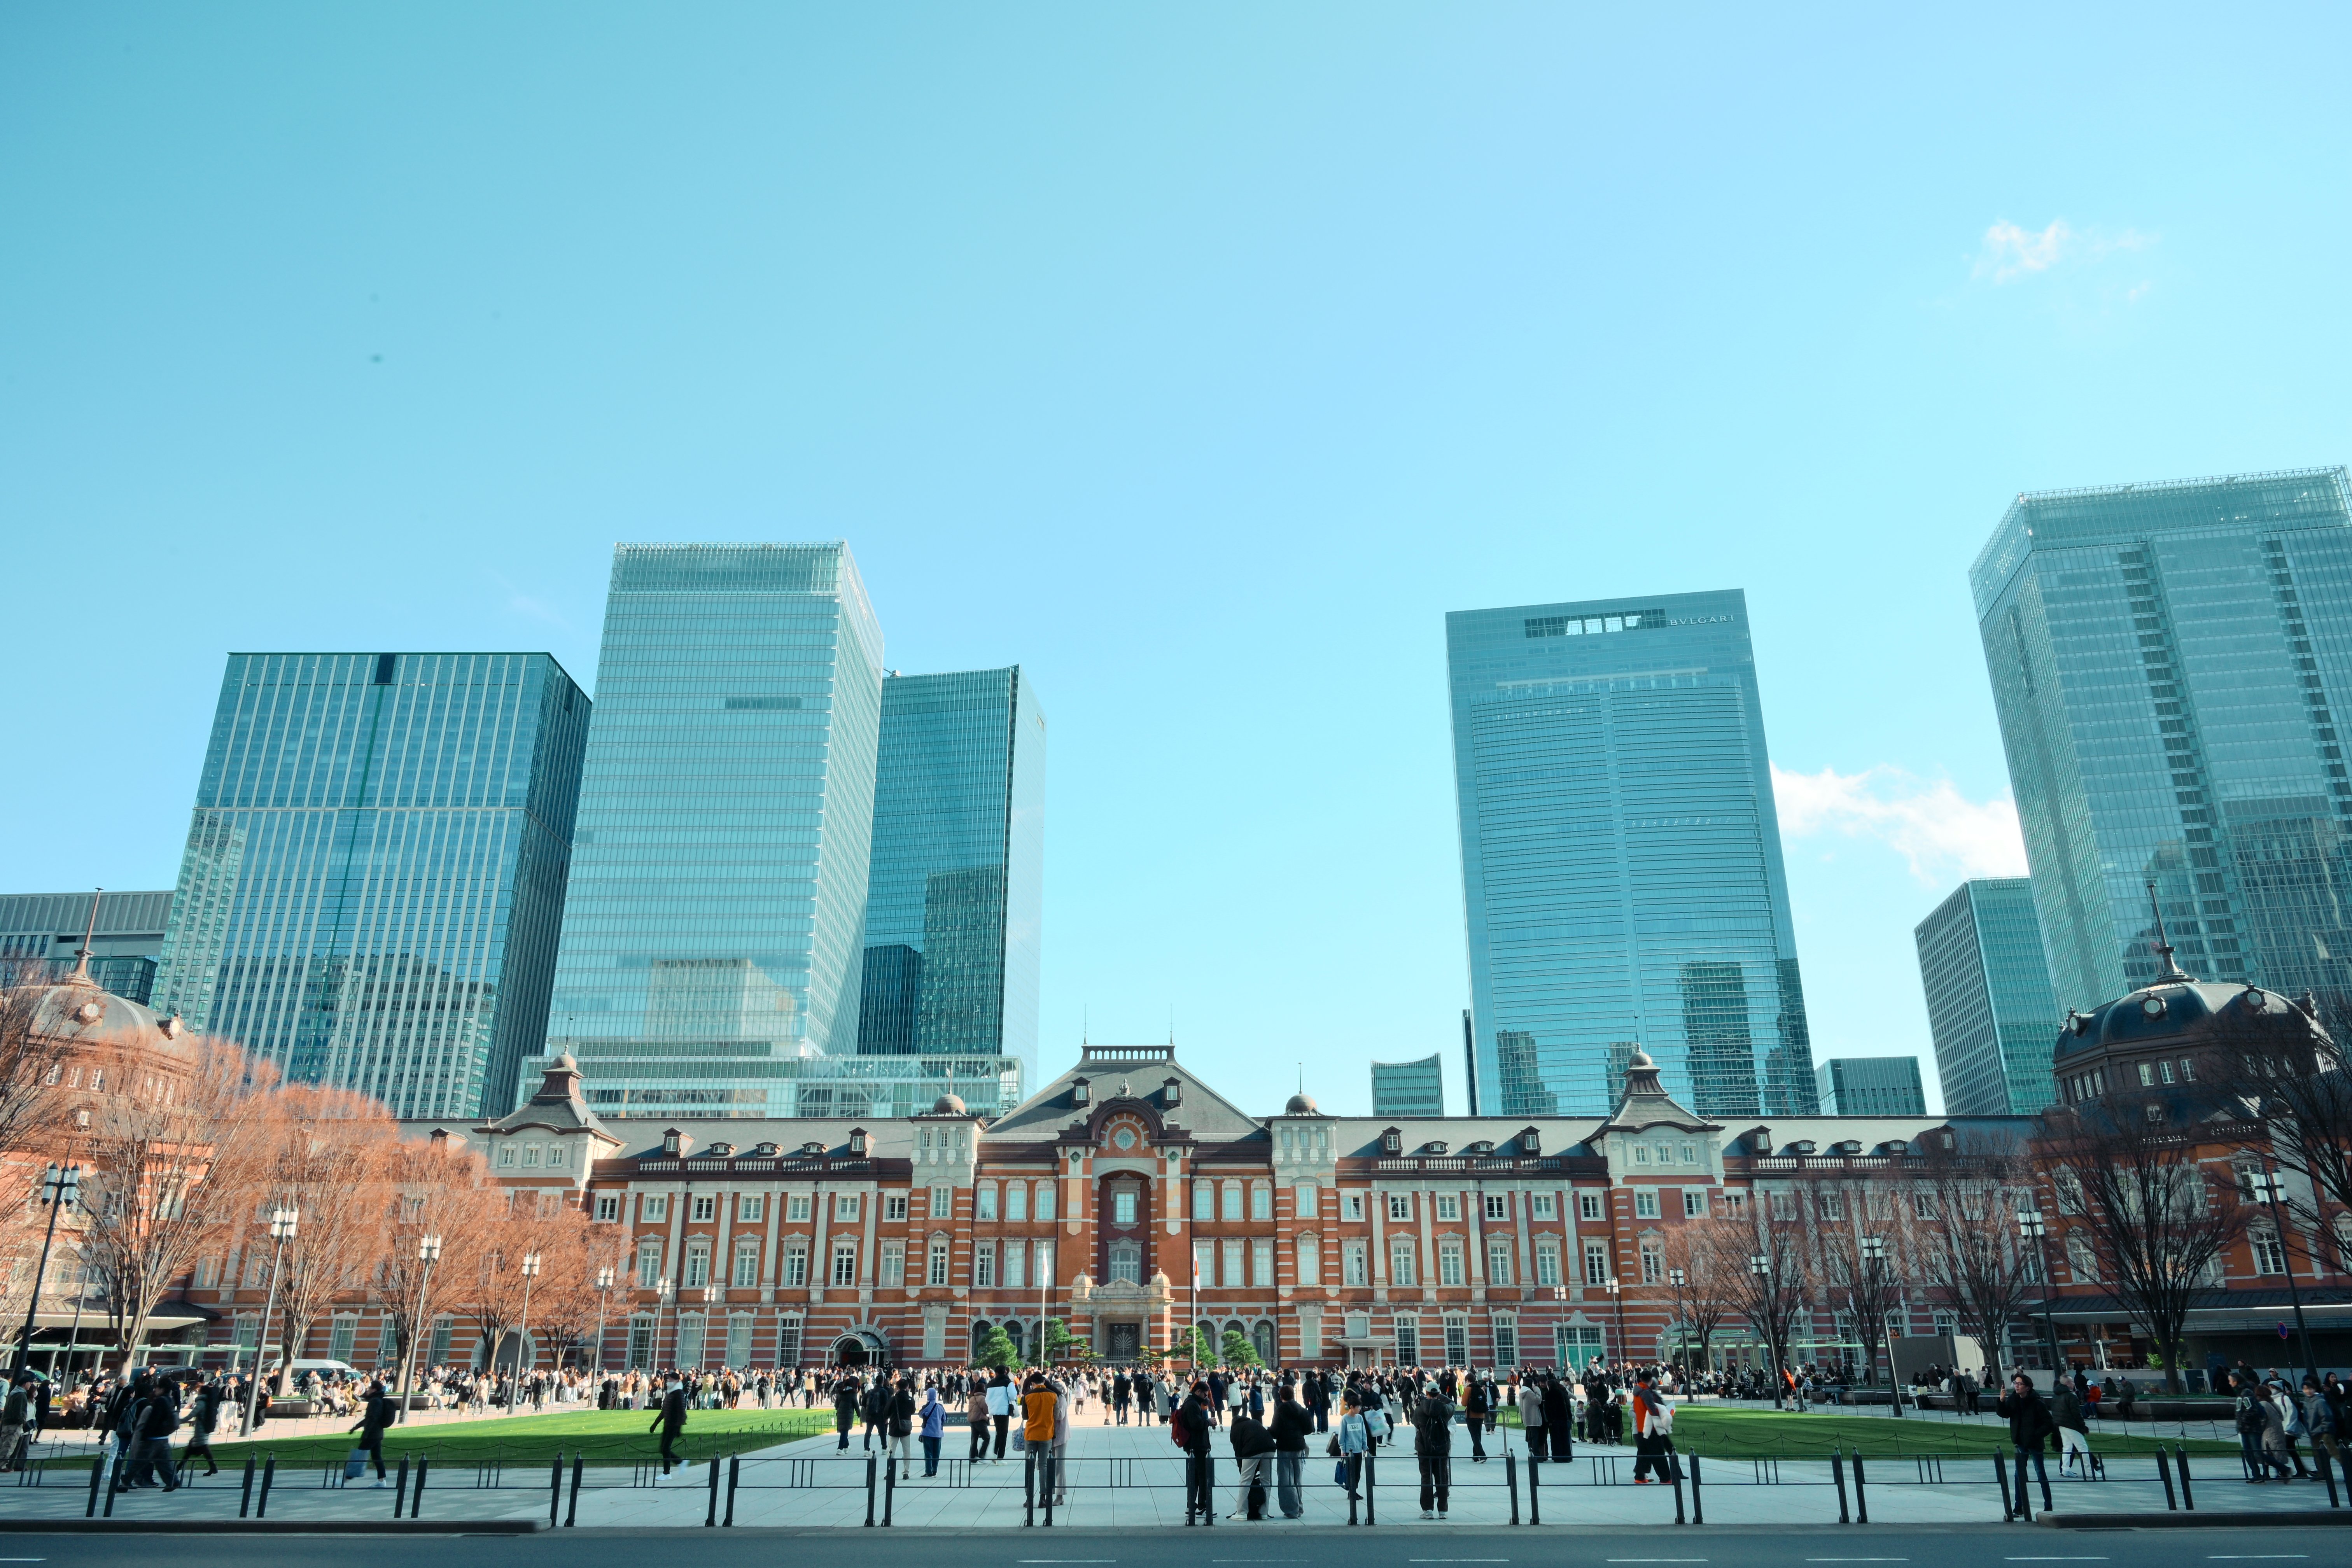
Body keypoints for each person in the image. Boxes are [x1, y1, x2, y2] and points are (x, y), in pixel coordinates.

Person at [1997, 1372, 2054, 1517]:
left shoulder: (2037, 1403)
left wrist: (2035, 1435)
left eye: (2020, 1384)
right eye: (2015, 1383)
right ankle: (2019, 1507)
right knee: (2018, 1476)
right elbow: (2005, 1414)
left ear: (2028, 1387)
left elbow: (2049, 1424)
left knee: (2040, 1474)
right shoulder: (2014, 1400)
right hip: (2020, 1443)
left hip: (2034, 1443)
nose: (2017, 1386)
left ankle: (2048, 1506)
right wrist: (2001, 1401)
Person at [1176, 1379, 1218, 1525]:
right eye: (1205, 1394)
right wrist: (1209, 1422)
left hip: (1195, 1445)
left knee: (1196, 1477)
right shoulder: (1193, 1405)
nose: (1206, 1397)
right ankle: (1202, 1506)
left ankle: (1192, 1505)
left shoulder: (1191, 1403)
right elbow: (1196, 1424)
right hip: (1197, 1445)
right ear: (1198, 1392)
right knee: (1203, 1476)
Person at [1412, 1380, 1454, 1520]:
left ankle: (1428, 1510)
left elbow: (1415, 1424)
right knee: (1442, 1478)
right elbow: (1453, 1404)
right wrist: (1441, 1396)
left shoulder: (1419, 1410)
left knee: (1426, 1478)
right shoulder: (1445, 1409)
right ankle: (1443, 1511)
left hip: (1424, 1448)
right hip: (1442, 1448)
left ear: (1427, 1393)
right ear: (1438, 1394)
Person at [1270, 1379, 1311, 1518]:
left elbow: (1275, 1431)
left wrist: (1269, 1431)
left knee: (1286, 1479)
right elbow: (1310, 1428)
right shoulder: (1301, 1409)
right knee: (1298, 1478)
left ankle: (1291, 1509)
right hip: (1299, 1446)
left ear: (1281, 1397)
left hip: (1285, 1447)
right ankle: (1300, 1507)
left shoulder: (1280, 1410)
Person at [348, 1379, 395, 1486]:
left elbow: (371, 1419)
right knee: (376, 1457)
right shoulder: (378, 1400)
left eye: (370, 1388)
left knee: (360, 1455)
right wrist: (356, 1428)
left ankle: (346, 1479)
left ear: (374, 1389)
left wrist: (364, 1432)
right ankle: (382, 1481)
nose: (368, 1390)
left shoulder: (375, 1402)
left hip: (372, 1434)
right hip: (378, 1434)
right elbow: (370, 1419)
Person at [2049, 1378, 2093, 1478]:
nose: (2074, 1384)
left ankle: (2065, 1469)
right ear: (2068, 1384)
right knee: (2083, 1448)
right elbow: (2077, 1413)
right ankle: (2090, 1471)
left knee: (2067, 1448)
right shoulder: (2071, 1395)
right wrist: (2083, 1426)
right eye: (2072, 1382)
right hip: (2072, 1425)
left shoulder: (2056, 1395)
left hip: (2062, 1425)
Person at [653, 1374, 688, 1475]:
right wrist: (655, 1424)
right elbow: (665, 1410)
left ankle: (669, 1471)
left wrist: (679, 1428)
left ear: (677, 1381)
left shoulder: (678, 1393)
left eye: (671, 1380)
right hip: (668, 1424)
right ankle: (676, 1465)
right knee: (663, 1449)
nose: (669, 1381)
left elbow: (682, 1411)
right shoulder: (671, 1393)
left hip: (674, 1425)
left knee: (665, 1448)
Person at [918, 1382, 945, 1477]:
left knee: (928, 1453)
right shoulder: (940, 1407)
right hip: (939, 1433)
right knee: (936, 1453)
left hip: (928, 1432)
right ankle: (935, 1471)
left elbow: (921, 1415)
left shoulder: (926, 1407)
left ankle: (929, 1471)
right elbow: (944, 1419)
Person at [987, 1370, 1014, 1461]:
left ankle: (995, 1453)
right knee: (1004, 1434)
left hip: (995, 1410)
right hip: (1004, 1410)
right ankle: (1000, 1457)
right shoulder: (1008, 1382)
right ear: (1005, 1372)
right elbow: (1013, 1396)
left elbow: (987, 1399)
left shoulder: (991, 1383)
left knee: (998, 1433)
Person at [833, 1374, 860, 1452]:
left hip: (841, 1413)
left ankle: (846, 1446)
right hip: (848, 1413)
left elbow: (836, 1404)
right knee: (845, 1432)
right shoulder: (852, 1394)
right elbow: (856, 1405)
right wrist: (859, 1414)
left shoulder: (841, 1393)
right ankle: (840, 1448)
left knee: (843, 1431)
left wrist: (839, 1409)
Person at [967, 1378, 992, 1463]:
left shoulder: (972, 1398)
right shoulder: (982, 1398)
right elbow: (986, 1410)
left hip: (972, 1420)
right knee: (987, 1438)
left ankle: (973, 1457)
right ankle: (982, 1455)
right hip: (980, 1420)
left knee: (974, 1439)